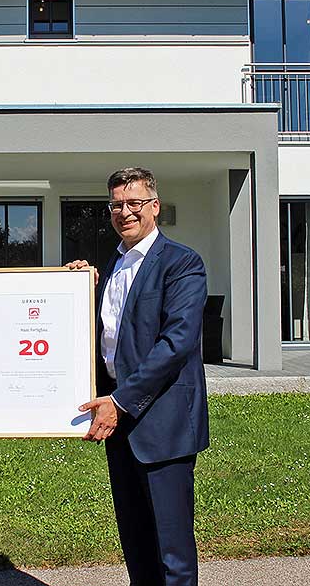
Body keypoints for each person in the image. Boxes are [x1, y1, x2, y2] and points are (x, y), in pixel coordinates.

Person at [68, 167, 209, 586]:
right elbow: (108, 332)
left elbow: (176, 343)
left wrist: (120, 401)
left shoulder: (182, 262)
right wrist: (74, 288)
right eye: (116, 205)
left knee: (173, 553)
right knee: (136, 543)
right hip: (119, 422)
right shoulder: (111, 263)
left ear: (154, 207)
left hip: (161, 422)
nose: (125, 212)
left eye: (134, 203)